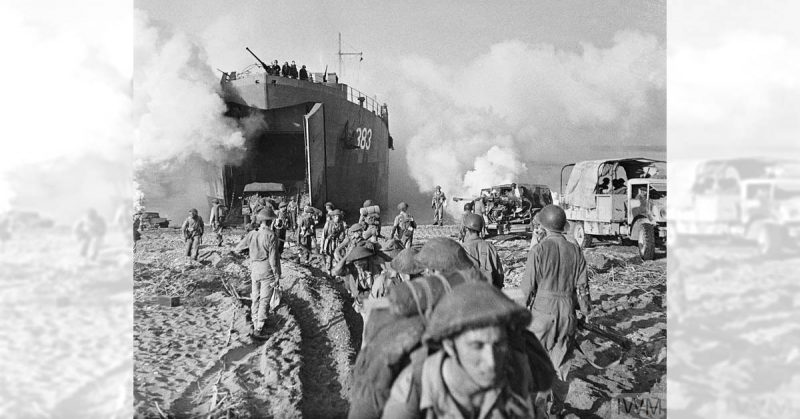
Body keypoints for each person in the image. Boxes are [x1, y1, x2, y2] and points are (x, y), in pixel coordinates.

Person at [382, 281, 546, 419]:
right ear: (449, 346)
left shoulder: (513, 376)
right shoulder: (414, 390)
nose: (491, 361)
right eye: (477, 346)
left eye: (498, 344)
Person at [520, 204, 591, 416]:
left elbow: (526, 289)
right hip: (567, 314)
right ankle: (557, 407)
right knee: (562, 364)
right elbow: (583, 288)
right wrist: (586, 312)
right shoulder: (576, 250)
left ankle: (538, 406)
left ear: (544, 225)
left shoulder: (538, 250)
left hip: (542, 313)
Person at [234, 208, 282, 339]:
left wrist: (250, 253)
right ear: (269, 221)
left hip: (254, 267)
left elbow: (238, 248)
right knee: (265, 299)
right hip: (266, 268)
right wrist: (277, 274)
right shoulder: (271, 235)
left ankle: (255, 320)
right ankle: (259, 327)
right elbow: (273, 259)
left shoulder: (252, 234)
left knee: (255, 295)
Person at [461, 213, 504, 289]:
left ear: (467, 229)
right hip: (489, 293)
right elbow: (499, 275)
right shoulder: (490, 248)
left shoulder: (462, 249)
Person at [322, 209, 347, 275]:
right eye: (336, 216)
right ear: (333, 217)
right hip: (329, 242)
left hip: (337, 242)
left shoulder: (341, 224)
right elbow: (323, 235)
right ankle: (328, 271)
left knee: (337, 256)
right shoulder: (328, 223)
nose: (337, 218)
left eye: (338, 216)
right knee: (329, 257)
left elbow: (342, 233)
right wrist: (322, 246)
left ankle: (337, 273)